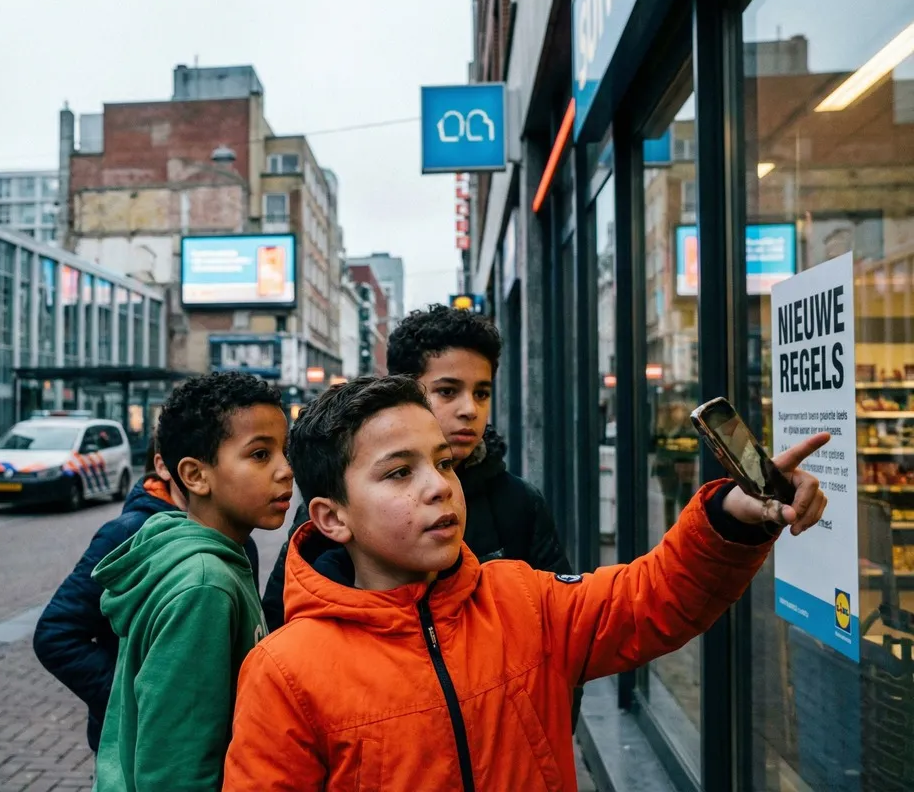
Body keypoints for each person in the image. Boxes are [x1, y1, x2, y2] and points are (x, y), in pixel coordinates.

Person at [222, 376, 828, 790]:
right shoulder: (286, 672)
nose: (437, 486)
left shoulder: (522, 598)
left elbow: (652, 599)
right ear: (332, 517)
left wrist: (734, 517)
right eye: (400, 472)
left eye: (444, 463)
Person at [262, 304, 572, 631]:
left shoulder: (518, 503)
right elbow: (280, 622)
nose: (470, 409)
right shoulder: (346, 503)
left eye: (482, 393)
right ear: (405, 390)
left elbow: (559, 627)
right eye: (447, 391)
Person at [92, 373, 292, 791]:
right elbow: (175, 768)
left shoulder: (209, 560)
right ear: (196, 476)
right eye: (259, 455)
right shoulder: (205, 586)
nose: (285, 471)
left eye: (284, 452)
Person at [33, 439, 183, 753]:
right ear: (165, 467)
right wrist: (130, 700)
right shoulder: (127, 533)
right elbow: (56, 633)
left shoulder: (235, 537)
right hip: (129, 743)